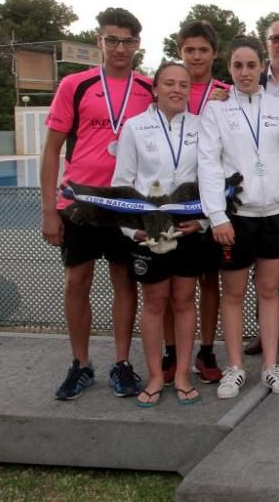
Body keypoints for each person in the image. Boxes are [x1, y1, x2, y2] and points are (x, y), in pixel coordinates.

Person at [42, 7, 154, 401]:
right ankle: (80, 363)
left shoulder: (149, 87)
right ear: (99, 42)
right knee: (77, 281)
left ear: (138, 45)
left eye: (127, 41)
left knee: (125, 282)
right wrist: (47, 210)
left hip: (126, 205)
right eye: (112, 40)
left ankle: (122, 362)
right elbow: (52, 151)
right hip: (80, 202)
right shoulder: (76, 84)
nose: (120, 48)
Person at [199, 35, 279, 398]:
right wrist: (216, 215)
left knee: (270, 291)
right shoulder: (215, 110)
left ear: (263, 67)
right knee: (234, 293)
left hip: (276, 213)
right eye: (238, 66)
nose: (245, 73)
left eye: (251, 65)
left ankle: (272, 367)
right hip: (236, 216)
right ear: (229, 69)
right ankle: (235, 367)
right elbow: (209, 165)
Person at [112, 62, 206, 407]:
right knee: (154, 303)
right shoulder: (135, 128)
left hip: (187, 228)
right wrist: (131, 230)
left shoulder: (201, 126)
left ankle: (181, 374)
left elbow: (211, 177)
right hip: (149, 232)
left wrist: (205, 222)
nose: (177, 89)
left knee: (183, 301)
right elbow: (122, 183)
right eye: (170, 83)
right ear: (155, 88)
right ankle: (155, 375)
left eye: (183, 84)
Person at [160, 20, 229, 386]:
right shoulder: (172, 88)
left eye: (203, 49)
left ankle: (205, 350)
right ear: (180, 51)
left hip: (211, 201)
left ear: (214, 53)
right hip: (172, 201)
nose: (197, 56)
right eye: (190, 50)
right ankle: (172, 351)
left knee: (209, 281)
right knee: (173, 285)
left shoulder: (227, 92)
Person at [244, 18, 279, 356]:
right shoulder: (249, 78)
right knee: (260, 266)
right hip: (257, 187)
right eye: (276, 38)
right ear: (266, 43)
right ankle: (264, 330)